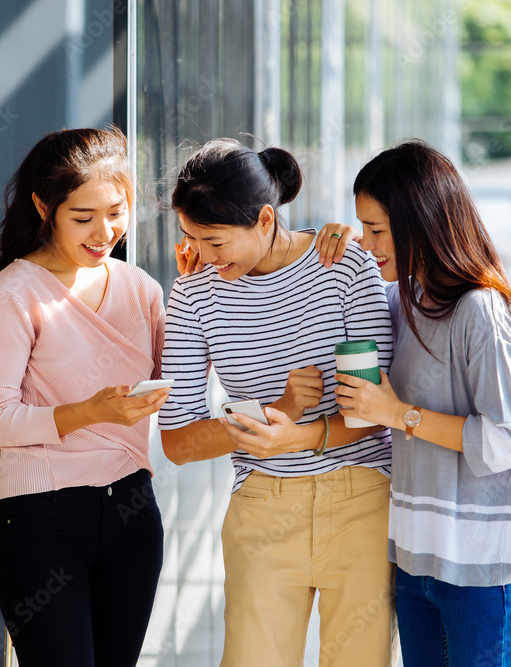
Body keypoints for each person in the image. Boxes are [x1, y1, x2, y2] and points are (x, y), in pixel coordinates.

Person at [158, 138, 400, 667]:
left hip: (361, 501)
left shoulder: (346, 269)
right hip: (262, 507)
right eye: (190, 238)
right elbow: (176, 441)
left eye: (215, 241)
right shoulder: (194, 294)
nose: (200, 256)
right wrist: (279, 414)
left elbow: (369, 412)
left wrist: (298, 433)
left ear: (265, 219)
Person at [335, 140, 511, 667]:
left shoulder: (483, 311)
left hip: (484, 573)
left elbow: (508, 439)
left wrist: (397, 415)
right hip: (417, 564)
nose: (367, 244)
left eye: (377, 231)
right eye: (360, 228)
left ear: (421, 222)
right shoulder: (403, 301)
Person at [0, 128, 170, 667]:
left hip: (131, 511)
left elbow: (179, 383)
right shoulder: (13, 295)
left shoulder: (141, 290)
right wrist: (90, 412)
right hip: (42, 518)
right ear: (43, 206)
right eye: (83, 217)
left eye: (117, 212)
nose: (104, 232)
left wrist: (201, 290)